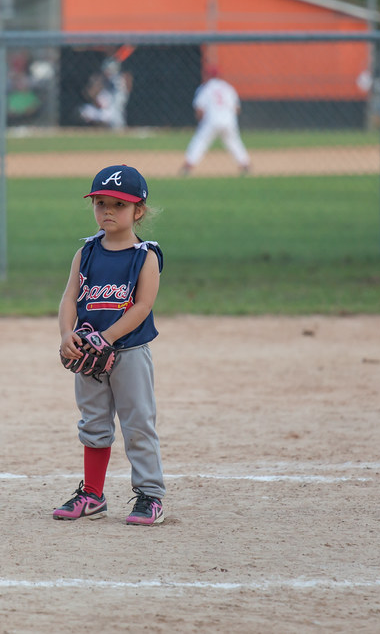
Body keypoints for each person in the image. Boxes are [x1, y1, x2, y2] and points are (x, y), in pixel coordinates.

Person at [54, 164, 166, 526]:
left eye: (118, 204)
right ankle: (92, 495)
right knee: (94, 424)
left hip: (129, 352)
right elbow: (70, 297)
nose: (107, 211)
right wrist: (66, 334)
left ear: (139, 211)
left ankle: (150, 496)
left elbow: (143, 306)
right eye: (100, 202)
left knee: (138, 424)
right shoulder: (86, 252)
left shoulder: (144, 256)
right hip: (89, 355)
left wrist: (109, 337)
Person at [180, 64, 250, 175]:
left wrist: (201, 121)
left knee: (200, 141)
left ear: (208, 75)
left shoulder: (206, 87)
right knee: (233, 141)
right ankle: (245, 164)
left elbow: (199, 109)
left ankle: (189, 164)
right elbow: (237, 109)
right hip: (228, 120)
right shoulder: (228, 87)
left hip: (212, 120)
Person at [79, 57, 131, 130]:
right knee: (83, 112)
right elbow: (89, 94)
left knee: (116, 122)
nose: (107, 72)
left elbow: (122, 97)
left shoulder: (118, 80)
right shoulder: (100, 79)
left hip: (112, 110)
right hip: (100, 109)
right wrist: (98, 81)